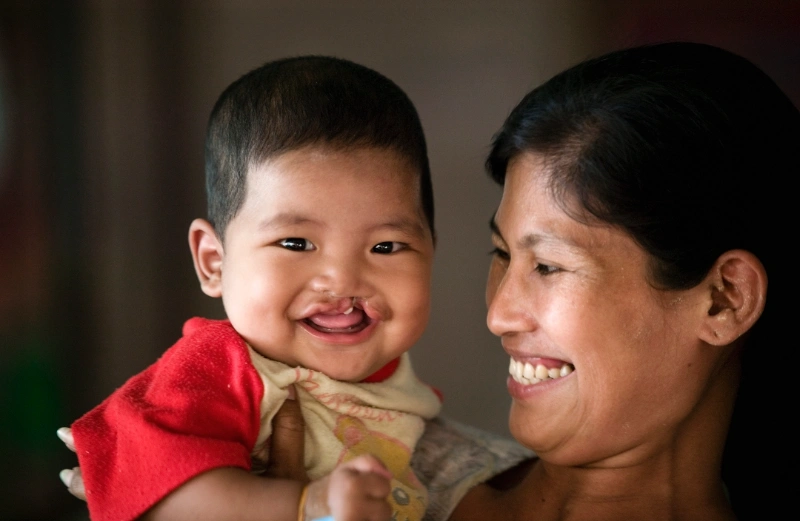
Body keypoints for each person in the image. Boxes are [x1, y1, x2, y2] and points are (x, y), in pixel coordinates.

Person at [58, 55, 531, 521]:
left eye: (386, 247)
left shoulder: (404, 391)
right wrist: (307, 507)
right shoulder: (221, 367)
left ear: (431, 250)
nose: (342, 280)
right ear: (213, 261)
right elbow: (157, 494)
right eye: (296, 242)